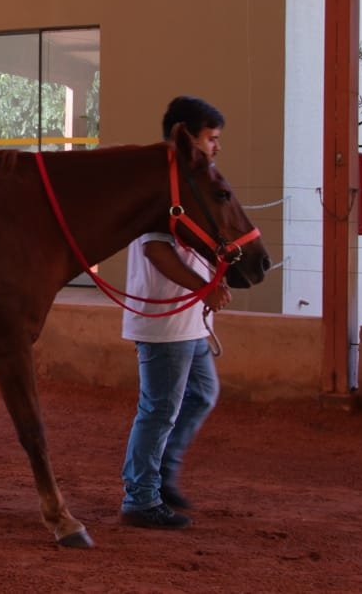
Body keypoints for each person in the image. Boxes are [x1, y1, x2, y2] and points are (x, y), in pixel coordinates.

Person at [118, 96, 232, 530]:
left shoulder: (184, 181)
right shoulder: (161, 183)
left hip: (186, 320)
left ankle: (158, 477)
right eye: (211, 139)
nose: (216, 147)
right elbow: (156, 248)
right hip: (165, 318)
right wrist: (202, 287)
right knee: (159, 408)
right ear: (188, 136)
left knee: (200, 394)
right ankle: (141, 496)